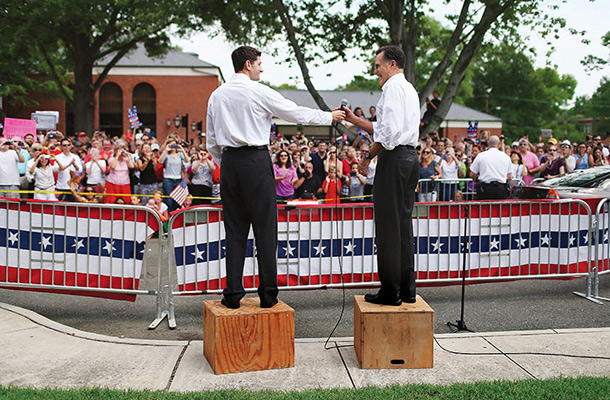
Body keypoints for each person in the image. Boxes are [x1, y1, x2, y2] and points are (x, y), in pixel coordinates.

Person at [206, 45, 345, 309]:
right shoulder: (259, 91)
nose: (261, 67)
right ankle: (268, 294)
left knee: (234, 230)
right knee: (265, 229)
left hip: (231, 163)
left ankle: (233, 293)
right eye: (259, 63)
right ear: (247, 64)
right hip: (256, 161)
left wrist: (228, 162)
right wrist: (328, 116)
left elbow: (211, 141)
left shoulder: (216, 95)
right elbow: (295, 112)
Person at [343, 45, 420, 306]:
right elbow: (385, 128)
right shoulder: (408, 88)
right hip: (410, 158)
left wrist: (367, 158)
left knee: (388, 228)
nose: (375, 70)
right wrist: (356, 120)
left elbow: (387, 135)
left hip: (395, 158)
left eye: (378, 65)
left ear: (392, 64)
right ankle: (407, 288)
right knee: (402, 226)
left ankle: (390, 291)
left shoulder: (391, 88)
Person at [469, 135, 513, 200]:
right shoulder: (506, 157)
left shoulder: (481, 156)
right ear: (499, 145)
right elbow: (509, 177)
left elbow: (472, 174)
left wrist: (477, 179)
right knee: (500, 209)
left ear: (488, 143)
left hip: (485, 189)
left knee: (484, 209)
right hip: (501, 189)